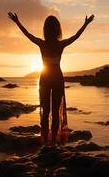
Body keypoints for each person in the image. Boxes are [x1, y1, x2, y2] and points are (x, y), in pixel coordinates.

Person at [8, 12, 94, 145]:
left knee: (46, 111)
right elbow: (76, 36)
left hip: (45, 78)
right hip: (57, 78)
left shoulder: (42, 43)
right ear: (57, 29)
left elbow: (27, 34)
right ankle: (53, 141)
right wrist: (85, 24)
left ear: (45, 30)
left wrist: (17, 22)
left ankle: (46, 143)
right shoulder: (61, 44)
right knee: (54, 112)